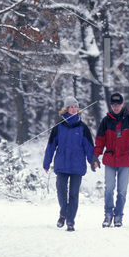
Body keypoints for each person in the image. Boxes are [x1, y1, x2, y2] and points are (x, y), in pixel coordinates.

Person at [43, 96, 95, 232]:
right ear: (66, 109)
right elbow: (51, 146)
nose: (73, 109)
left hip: (77, 166)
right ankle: (63, 213)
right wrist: (46, 162)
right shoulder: (58, 127)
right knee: (61, 191)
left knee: (73, 194)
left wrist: (93, 161)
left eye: (75, 106)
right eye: (71, 107)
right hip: (61, 165)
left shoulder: (83, 128)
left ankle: (70, 221)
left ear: (78, 109)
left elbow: (89, 147)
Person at [92, 92, 129, 228]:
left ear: (123, 104)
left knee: (122, 190)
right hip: (110, 159)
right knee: (109, 188)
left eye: (118, 104)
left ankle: (118, 216)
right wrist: (95, 156)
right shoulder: (106, 121)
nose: (115, 107)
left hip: (125, 160)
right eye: (113, 105)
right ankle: (108, 215)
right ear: (111, 105)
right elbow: (100, 140)